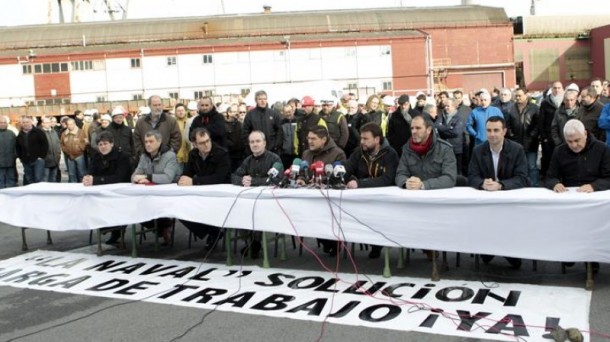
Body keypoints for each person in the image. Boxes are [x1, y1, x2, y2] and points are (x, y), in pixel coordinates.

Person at [545, 119, 610, 274]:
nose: (574, 145)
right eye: (569, 141)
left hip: (594, 202)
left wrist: (594, 186)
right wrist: (554, 183)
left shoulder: (602, 149)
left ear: (585, 134)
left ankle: (592, 259)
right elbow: (549, 176)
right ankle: (570, 254)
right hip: (570, 203)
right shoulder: (559, 151)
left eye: (577, 140)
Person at [344, 122, 399, 258]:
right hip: (360, 199)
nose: (362, 142)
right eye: (361, 138)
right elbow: (347, 169)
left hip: (384, 201)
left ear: (377, 139)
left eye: (365, 139)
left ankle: (377, 244)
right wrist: (336, 176)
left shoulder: (390, 154)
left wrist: (360, 183)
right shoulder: (359, 152)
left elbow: (388, 179)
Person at [178, 128, 231, 251]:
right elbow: (187, 173)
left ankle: (214, 232)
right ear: (194, 144)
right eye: (202, 143)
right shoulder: (193, 155)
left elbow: (219, 177)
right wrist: (182, 179)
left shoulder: (221, 153)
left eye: (208, 141)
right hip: (200, 195)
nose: (206, 144)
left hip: (220, 195)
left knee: (203, 209)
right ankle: (214, 231)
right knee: (180, 208)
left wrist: (194, 182)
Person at [231, 131, 282, 258]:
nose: (255, 144)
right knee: (237, 210)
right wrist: (243, 180)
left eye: (258, 141)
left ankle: (255, 242)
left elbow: (277, 180)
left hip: (269, 203)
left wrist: (253, 181)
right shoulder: (247, 160)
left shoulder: (275, 159)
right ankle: (250, 241)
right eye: (252, 142)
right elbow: (234, 176)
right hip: (248, 202)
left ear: (264, 143)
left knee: (256, 212)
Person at [132, 130, 181, 245]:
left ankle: (163, 225)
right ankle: (163, 226)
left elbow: (168, 178)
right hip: (148, 195)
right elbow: (135, 174)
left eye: (151, 141)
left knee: (154, 208)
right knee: (134, 209)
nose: (148, 144)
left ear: (159, 142)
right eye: (146, 142)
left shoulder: (170, 156)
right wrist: (136, 178)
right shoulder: (144, 156)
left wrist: (147, 177)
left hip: (168, 196)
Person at [83, 131, 132, 244]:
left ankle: (116, 230)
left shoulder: (122, 156)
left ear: (112, 143)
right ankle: (105, 227)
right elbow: (90, 172)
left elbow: (119, 177)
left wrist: (96, 180)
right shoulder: (96, 157)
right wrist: (87, 178)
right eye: (100, 145)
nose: (103, 147)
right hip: (102, 193)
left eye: (105, 143)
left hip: (121, 194)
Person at [395, 115, 457, 190]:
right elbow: (400, 174)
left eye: (418, 128)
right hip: (413, 197)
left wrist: (423, 185)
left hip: (437, 197)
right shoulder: (407, 149)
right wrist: (406, 183)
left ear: (428, 130)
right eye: (412, 128)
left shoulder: (445, 149)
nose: (414, 131)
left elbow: (449, 178)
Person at [506, 88, 540, 186]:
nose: (517, 98)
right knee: (518, 166)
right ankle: (521, 185)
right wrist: (511, 135)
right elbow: (507, 124)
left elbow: (538, 125)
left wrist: (532, 135)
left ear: (526, 95)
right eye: (516, 96)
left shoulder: (534, 108)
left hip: (531, 143)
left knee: (532, 166)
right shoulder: (511, 108)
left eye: (520, 95)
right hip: (515, 142)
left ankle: (534, 186)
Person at [242, 90, 283, 155]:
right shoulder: (250, 115)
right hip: (256, 151)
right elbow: (245, 132)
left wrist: (276, 145)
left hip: (272, 150)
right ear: (256, 100)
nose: (263, 101)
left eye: (264, 99)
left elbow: (279, 131)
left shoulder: (273, 114)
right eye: (260, 99)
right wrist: (250, 147)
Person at [539, 81, 564, 177]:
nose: (557, 90)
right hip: (548, 138)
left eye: (559, 88)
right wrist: (544, 137)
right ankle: (548, 178)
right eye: (555, 88)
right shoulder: (545, 102)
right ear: (551, 89)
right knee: (548, 159)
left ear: (562, 89)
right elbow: (541, 122)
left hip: (562, 136)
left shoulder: (566, 101)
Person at [436, 98, 466, 175]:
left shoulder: (459, 118)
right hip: (444, 148)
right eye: (445, 106)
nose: (446, 108)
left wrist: (442, 131)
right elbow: (436, 126)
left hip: (456, 149)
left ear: (454, 106)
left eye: (448, 106)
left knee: (457, 171)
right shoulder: (442, 116)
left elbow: (455, 132)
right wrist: (448, 128)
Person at [17, 116, 49, 185]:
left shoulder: (38, 132)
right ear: (21, 123)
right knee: (29, 179)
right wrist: (21, 158)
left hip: (38, 160)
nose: (25, 124)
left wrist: (41, 157)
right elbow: (18, 148)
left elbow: (45, 145)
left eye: (27, 122)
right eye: (23, 122)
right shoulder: (20, 135)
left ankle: (39, 195)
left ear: (31, 122)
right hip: (26, 161)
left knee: (38, 179)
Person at [60, 118, 88, 183]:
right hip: (69, 157)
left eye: (71, 124)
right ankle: (73, 188)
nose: (70, 126)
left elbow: (85, 142)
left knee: (82, 173)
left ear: (74, 124)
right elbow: (61, 143)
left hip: (79, 156)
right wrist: (65, 150)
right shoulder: (64, 133)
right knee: (71, 174)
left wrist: (80, 148)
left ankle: (83, 187)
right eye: (68, 124)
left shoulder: (81, 132)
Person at [40, 116, 62, 183]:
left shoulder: (54, 132)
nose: (48, 124)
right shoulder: (40, 133)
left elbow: (58, 144)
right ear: (42, 124)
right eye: (46, 123)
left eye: (49, 122)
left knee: (53, 179)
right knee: (45, 180)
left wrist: (58, 155)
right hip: (45, 162)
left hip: (55, 160)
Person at [224, 104, 244, 172]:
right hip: (229, 155)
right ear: (229, 113)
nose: (236, 113)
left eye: (236, 111)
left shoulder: (240, 124)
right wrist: (232, 145)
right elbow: (223, 139)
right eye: (233, 111)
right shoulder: (224, 125)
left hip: (240, 156)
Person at [0, 116, 17, 188]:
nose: (3, 124)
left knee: (11, 184)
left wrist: (15, 156)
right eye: (1, 123)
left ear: (7, 124)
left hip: (11, 163)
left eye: (4, 123)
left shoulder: (11, 133)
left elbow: (16, 147)